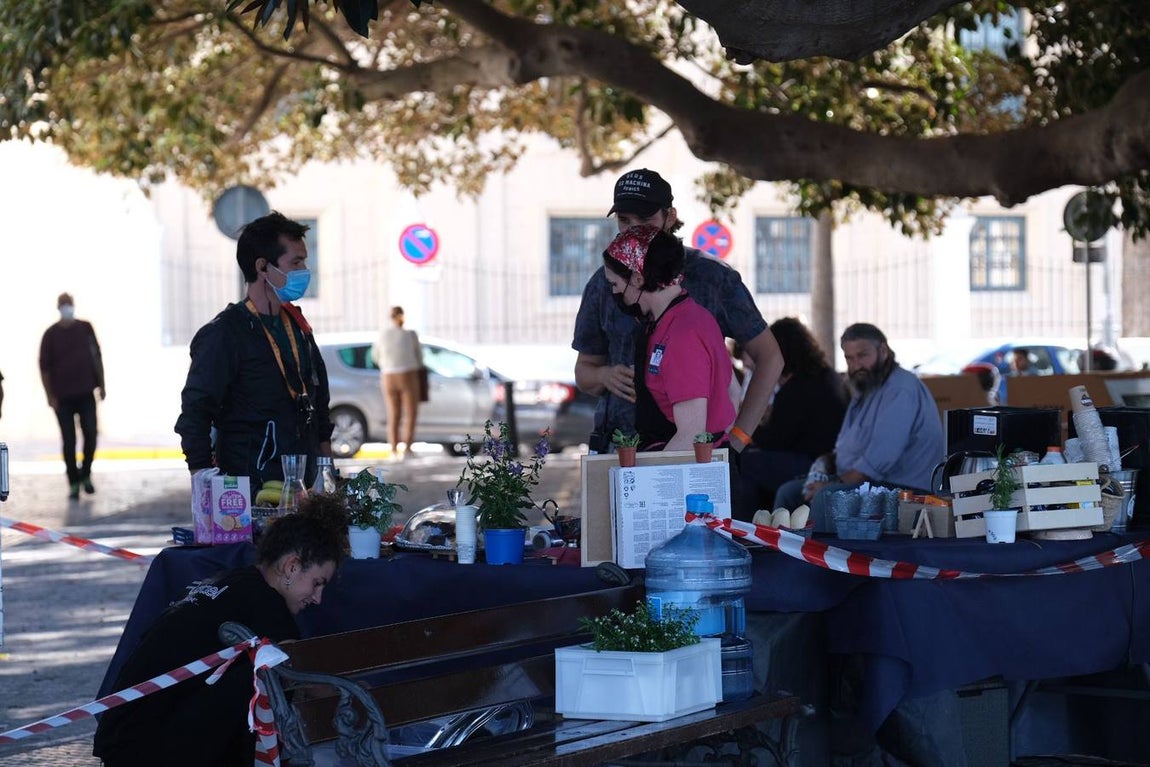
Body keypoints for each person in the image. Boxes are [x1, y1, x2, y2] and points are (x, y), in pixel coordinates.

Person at [93, 494, 347, 766]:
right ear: (291, 566)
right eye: (317, 583)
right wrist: (353, 692)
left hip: (123, 734)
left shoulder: (234, 581)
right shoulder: (267, 606)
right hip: (148, 746)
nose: (317, 598)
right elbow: (304, 682)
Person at [572, 168, 783, 460]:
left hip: (686, 454)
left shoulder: (711, 278)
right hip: (618, 444)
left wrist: (738, 440)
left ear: (670, 217)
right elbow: (584, 369)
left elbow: (769, 357)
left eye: (645, 220)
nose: (634, 230)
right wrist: (604, 375)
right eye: (624, 220)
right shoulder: (604, 281)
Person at [175, 212, 333, 492]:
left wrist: (326, 472)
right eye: (296, 262)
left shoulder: (297, 326)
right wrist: (204, 485)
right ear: (262, 267)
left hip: (303, 486)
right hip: (247, 492)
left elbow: (319, 405)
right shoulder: (224, 333)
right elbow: (195, 413)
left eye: (305, 260)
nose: (305, 270)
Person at [775, 323, 945, 528]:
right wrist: (826, 462)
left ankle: (820, 559)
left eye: (862, 355)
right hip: (868, 484)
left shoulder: (900, 389)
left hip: (904, 491)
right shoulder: (868, 386)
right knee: (789, 493)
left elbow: (876, 462)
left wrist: (832, 484)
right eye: (849, 358)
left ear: (883, 351)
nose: (856, 365)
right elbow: (849, 445)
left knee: (825, 496)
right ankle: (782, 553)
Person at [602, 225, 734, 451]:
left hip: (691, 475)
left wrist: (647, 481)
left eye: (615, 284)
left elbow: (690, 435)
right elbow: (733, 391)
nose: (613, 293)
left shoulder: (681, 334)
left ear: (636, 278)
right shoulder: (683, 318)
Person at [740, 317, 849, 511]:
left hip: (810, 462)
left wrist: (752, 425)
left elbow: (774, 441)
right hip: (829, 459)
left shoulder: (796, 388)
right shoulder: (827, 376)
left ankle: (749, 525)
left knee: (742, 462)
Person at [39, 292, 105, 499]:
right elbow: (44, 367)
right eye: (63, 304)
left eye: (69, 304)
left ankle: (86, 473)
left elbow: (97, 355)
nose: (67, 307)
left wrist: (102, 384)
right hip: (63, 397)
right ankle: (73, 481)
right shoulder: (50, 335)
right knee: (69, 440)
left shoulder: (85, 328)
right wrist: (49, 395)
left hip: (86, 393)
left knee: (91, 434)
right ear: (58, 307)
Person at [372, 305, 423, 459]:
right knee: (410, 412)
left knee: (393, 413)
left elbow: (375, 356)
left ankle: (393, 449)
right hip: (408, 374)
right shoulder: (410, 334)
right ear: (403, 316)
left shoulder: (383, 335)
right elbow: (419, 357)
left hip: (388, 375)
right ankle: (407, 448)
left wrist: (387, 365)